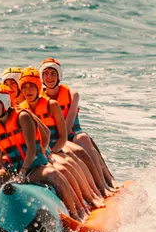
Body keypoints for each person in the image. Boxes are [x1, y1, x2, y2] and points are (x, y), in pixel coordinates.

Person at [0, 84, 84, 220]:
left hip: (33, 168)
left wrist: (23, 172)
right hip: (12, 171)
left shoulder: (22, 116)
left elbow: (32, 148)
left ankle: (75, 214)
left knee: (53, 174)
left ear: (5, 101)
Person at [17, 68, 103, 209]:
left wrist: (51, 152)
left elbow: (62, 136)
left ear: (38, 86)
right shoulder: (19, 111)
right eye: (24, 87)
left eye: (32, 86)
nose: (28, 91)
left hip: (54, 147)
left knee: (67, 165)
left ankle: (90, 197)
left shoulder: (51, 104)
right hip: (35, 155)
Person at [40, 57, 116, 191]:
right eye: (45, 73)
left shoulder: (72, 94)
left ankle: (105, 181)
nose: (49, 77)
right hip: (50, 139)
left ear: (59, 76)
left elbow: (68, 125)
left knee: (83, 138)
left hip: (70, 135)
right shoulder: (38, 99)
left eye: (53, 73)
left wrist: (59, 143)